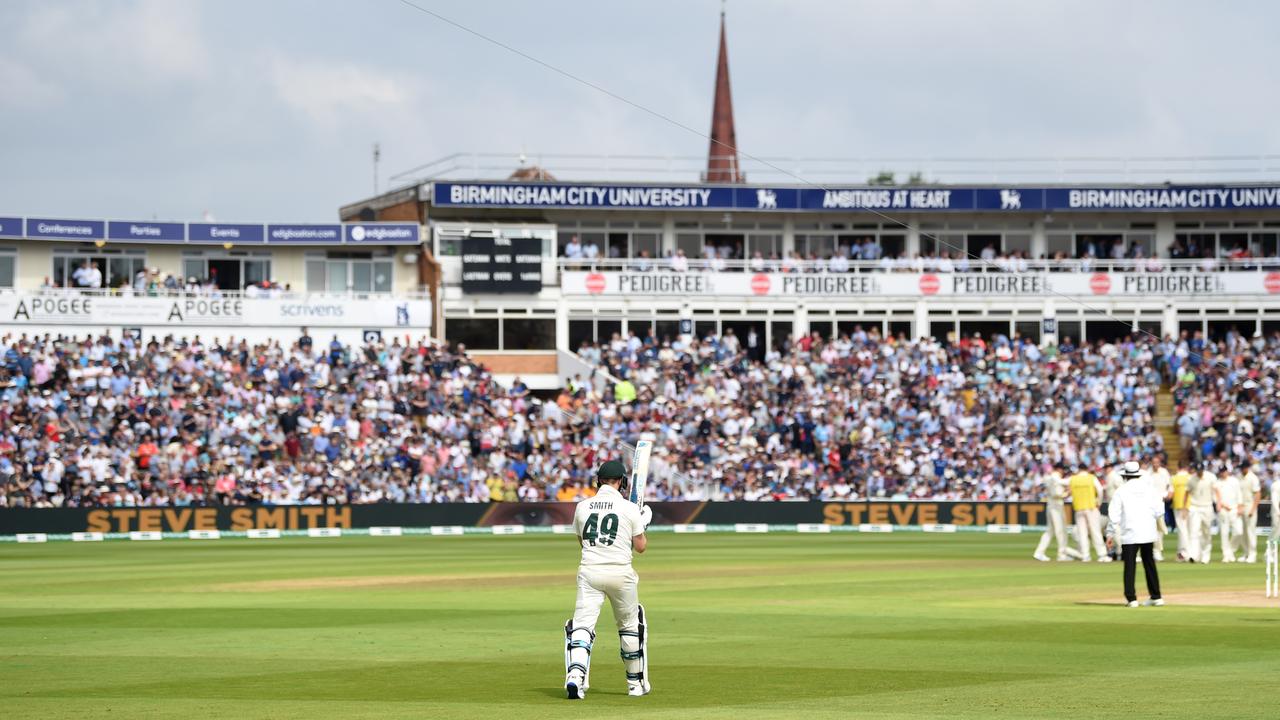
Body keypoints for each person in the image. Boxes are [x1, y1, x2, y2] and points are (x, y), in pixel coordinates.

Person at [564, 460, 653, 700]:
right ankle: (635, 685)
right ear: (622, 482)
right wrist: (644, 523)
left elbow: (582, 542)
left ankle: (575, 676)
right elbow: (641, 547)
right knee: (629, 626)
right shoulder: (629, 508)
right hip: (620, 574)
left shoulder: (582, 506)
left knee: (583, 625)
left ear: (598, 481)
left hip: (590, 571)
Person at [1107, 461, 1164, 607]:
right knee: (1149, 563)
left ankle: (1131, 599)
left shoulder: (1121, 490)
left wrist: (1110, 533)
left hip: (1130, 533)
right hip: (1147, 531)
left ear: (1125, 476)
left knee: (1130, 565)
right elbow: (1159, 510)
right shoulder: (1149, 489)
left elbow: (1114, 514)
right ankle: (1156, 596)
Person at [1033, 463, 1080, 561]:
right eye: (1063, 470)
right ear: (1059, 469)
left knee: (1050, 531)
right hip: (1056, 506)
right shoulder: (1055, 477)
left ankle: (1039, 552)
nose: (1064, 472)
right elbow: (1057, 494)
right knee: (1060, 531)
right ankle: (1061, 555)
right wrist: (1068, 493)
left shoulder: (1051, 477)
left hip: (1052, 506)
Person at [1069, 464, 1110, 562]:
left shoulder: (1073, 479)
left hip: (1079, 508)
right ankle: (1102, 555)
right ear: (1086, 469)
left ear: (1079, 469)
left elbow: (1063, 484)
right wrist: (1098, 502)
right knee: (1095, 531)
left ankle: (1085, 555)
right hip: (1091, 507)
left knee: (1082, 533)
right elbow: (1100, 490)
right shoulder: (1091, 478)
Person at [1186, 463, 1216, 564]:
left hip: (1207, 507)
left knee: (1206, 531)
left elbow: (1216, 490)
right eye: (1197, 471)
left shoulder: (1211, 477)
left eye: (1200, 471)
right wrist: (1184, 508)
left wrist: (1219, 502)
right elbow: (1187, 492)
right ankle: (1194, 555)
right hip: (1195, 507)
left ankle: (1206, 555)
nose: (1199, 473)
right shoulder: (1191, 479)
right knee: (1194, 531)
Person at [1214, 464, 1244, 563]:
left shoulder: (1234, 481)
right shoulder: (1217, 483)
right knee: (1224, 533)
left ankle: (1230, 551)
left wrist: (1240, 506)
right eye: (1221, 471)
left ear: (1227, 471)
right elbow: (1216, 498)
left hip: (1234, 509)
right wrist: (1223, 505)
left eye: (1224, 471)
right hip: (1223, 510)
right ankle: (1226, 555)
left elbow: (1239, 494)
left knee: (1239, 531)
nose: (1223, 473)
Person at [1147, 454, 1173, 561]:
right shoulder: (1147, 473)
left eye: (1157, 462)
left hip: (1160, 503)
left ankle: (1157, 551)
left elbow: (1169, 485)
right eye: (1153, 462)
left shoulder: (1164, 472)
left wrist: (1169, 494)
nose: (1155, 465)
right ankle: (1152, 551)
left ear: (1160, 463)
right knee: (1150, 528)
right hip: (1149, 504)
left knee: (1160, 528)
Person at [1238, 462, 1262, 563]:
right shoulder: (1239, 477)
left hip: (1250, 506)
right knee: (1242, 531)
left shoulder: (1253, 478)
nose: (1242, 470)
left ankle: (1253, 554)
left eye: (1244, 468)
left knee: (1250, 531)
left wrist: (1253, 509)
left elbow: (1257, 494)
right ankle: (1246, 553)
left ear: (1247, 468)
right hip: (1241, 506)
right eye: (1241, 468)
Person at [1170, 461, 1192, 561]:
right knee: (1188, 530)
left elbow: (1170, 493)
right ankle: (1183, 552)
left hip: (1179, 506)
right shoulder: (1191, 477)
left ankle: (1185, 553)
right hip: (1191, 506)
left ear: (1178, 467)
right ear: (1186, 467)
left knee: (1182, 530)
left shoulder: (1174, 478)